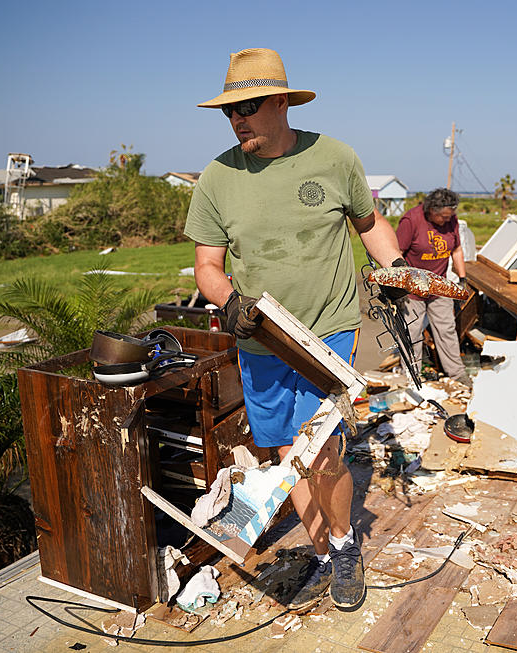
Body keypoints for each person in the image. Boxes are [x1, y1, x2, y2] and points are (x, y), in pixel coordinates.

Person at [184, 48, 404, 611]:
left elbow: (368, 222)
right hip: (259, 337)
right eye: (229, 111)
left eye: (249, 107)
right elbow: (206, 266)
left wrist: (397, 271)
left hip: (327, 328)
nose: (238, 121)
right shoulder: (217, 177)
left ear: (281, 102)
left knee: (323, 447)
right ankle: (326, 550)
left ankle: (346, 544)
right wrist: (229, 300)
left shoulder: (333, 158)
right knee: (288, 451)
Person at [396, 188, 472, 385]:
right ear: (431, 210)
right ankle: (412, 377)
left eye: (450, 217)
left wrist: (462, 278)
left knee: (446, 330)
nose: (446, 221)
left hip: (439, 286)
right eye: (443, 217)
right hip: (412, 289)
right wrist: (398, 287)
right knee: (412, 333)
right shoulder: (411, 220)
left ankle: (457, 374)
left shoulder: (451, 220)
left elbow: (456, 249)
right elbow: (395, 254)